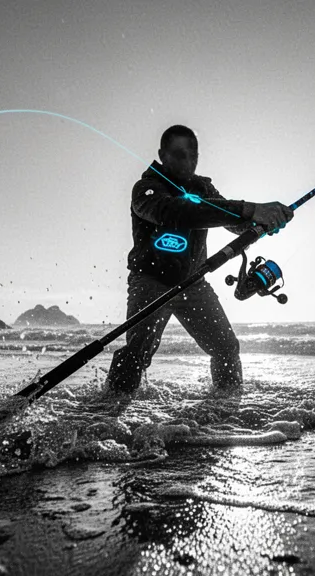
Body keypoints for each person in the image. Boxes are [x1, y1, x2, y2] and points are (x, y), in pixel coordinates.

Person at [104, 125, 294, 394]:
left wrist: (261, 222)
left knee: (226, 347)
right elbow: (180, 213)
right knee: (136, 353)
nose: (188, 161)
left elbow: (233, 224)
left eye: (193, 155)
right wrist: (250, 209)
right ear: (162, 154)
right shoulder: (146, 189)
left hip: (193, 284)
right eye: (180, 155)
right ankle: (108, 407)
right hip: (151, 283)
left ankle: (227, 407)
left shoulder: (204, 188)